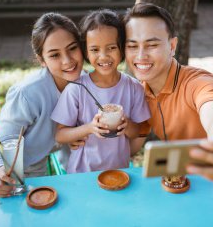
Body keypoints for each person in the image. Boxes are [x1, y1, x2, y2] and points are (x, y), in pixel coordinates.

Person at [0, 12, 84, 227]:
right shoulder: (29, 93)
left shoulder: (85, 87)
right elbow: (1, 140)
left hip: (34, 172)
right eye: (54, 55)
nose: (68, 60)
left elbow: (69, 146)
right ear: (41, 60)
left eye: (72, 48)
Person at [124, 2, 213, 206]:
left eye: (152, 44)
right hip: (175, 189)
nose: (140, 55)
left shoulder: (197, 81)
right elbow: (132, 147)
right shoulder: (139, 91)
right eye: (132, 45)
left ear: (172, 46)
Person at [51, 9, 150, 173]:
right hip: (82, 173)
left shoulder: (134, 88)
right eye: (95, 50)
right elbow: (60, 135)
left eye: (111, 48)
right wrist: (89, 128)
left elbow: (136, 133)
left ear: (122, 48)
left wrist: (126, 124)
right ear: (86, 52)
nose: (103, 56)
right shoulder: (77, 89)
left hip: (119, 171)